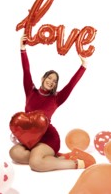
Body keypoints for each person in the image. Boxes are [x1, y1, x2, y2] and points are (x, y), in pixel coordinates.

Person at [9, 34, 96, 172]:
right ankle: (51, 158)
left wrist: (83, 66)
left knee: (35, 164)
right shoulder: (30, 91)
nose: (51, 82)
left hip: (48, 139)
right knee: (14, 153)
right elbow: (26, 70)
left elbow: (71, 85)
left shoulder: (57, 98)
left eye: (55, 81)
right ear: (43, 78)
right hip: (31, 139)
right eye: (49, 78)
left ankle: (74, 162)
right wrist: (22, 49)